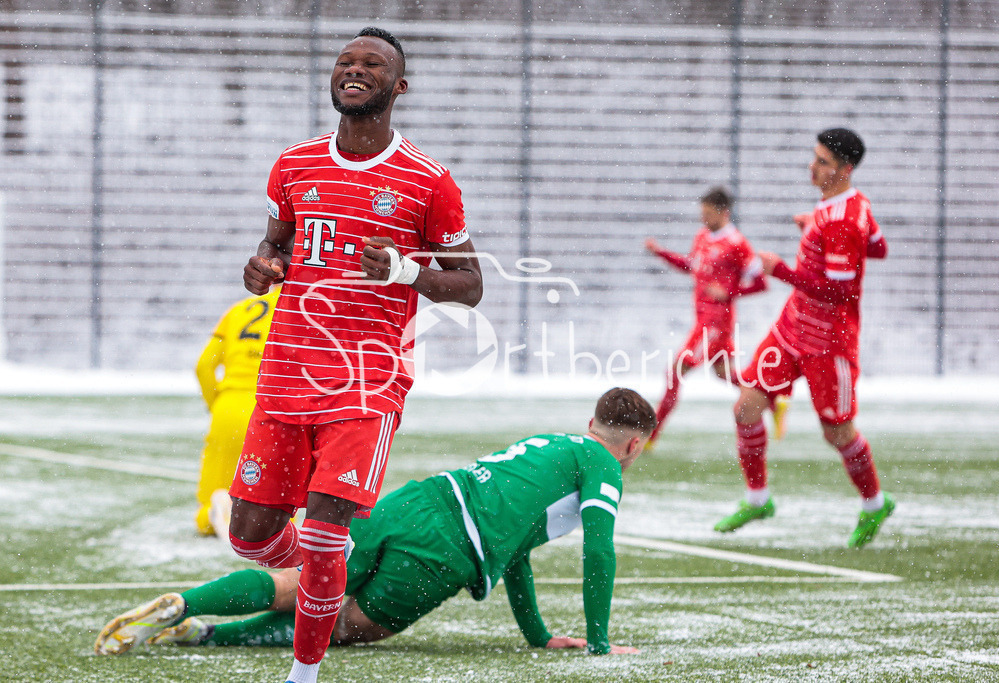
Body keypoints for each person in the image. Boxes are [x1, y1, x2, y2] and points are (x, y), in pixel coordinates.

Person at [230, 27, 483, 683]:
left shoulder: (429, 182)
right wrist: (262, 268)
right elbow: (274, 248)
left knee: (321, 530)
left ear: (398, 87)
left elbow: (470, 287)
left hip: (367, 379)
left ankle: (304, 671)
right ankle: (327, 567)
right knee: (249, 536)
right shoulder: (293, 164)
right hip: (286, 372)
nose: (354, 68)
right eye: (345, 60)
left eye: (372, 63)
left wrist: (404, 271)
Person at [94, 388, 656, 658]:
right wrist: (599, 644)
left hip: (416, 500)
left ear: (590, 422)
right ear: (633, 443)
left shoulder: (552, 443)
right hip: (448, 547)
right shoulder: (605, 463)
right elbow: (600, 552)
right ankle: (210, 635)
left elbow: (517, 554)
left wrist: (538, 635)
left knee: (306, 582)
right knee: (346, 625)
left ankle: (185, 608)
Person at [714, 128, 893, 548]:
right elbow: (879, 248)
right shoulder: (850, 205)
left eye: (823, 162)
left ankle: (874, 503)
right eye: (814, 158)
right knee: (745, 408)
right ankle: (758, 499)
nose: (812, 167)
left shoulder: (845, 220)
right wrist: (813, 225)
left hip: (828, 344)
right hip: (793, 328)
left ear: (845, 170)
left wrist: (783, 271)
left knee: (838, 434)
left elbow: (841, 291)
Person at [644, 187, 768, 448]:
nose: (704, 219)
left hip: (715, 321)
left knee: (675, 372)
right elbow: (691, 265)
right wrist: (661, 253)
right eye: (702, 213)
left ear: (724, 212)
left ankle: (651, 436)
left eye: (709, 213)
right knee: (725, 374)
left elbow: (760, 283)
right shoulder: (702, 236)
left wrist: (729, 292)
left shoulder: (737, 243)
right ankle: (772, 398)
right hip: (702, 318)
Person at [193, 286, 280, 537]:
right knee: (274, 493)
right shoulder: (302, 310)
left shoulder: (238, 310)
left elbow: (203, 367)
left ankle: (211, 518)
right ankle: (266, 528)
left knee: (212, 494)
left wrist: (217, 405)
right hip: (270, 406)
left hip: (229, 405)